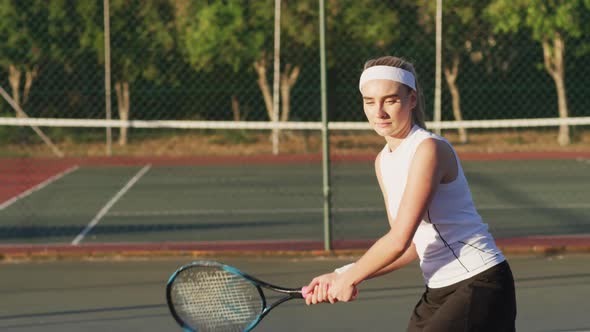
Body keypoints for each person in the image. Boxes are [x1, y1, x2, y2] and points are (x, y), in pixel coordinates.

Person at [303, 56, 517, 332]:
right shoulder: (383, 161)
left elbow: (397, 240)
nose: (378, 111)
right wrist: (341, 275)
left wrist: (351, 278)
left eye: (390, 100)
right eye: (369, 101)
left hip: (480, 282)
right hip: (439, 289)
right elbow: (411, 246)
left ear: (411, 99)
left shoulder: (429, 149)